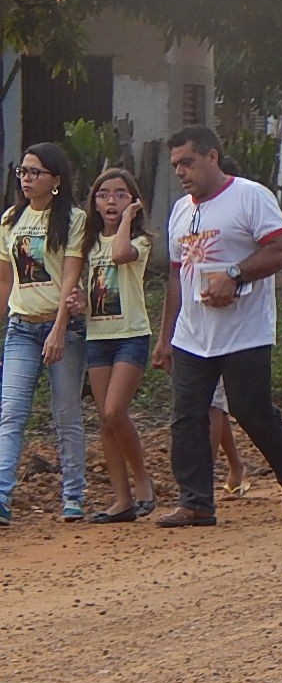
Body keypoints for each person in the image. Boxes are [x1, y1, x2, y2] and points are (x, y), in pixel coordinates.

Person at [152, 126, 282, 526]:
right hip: (193, 332)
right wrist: (166, 336)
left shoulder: (250, 196)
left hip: (245, 329)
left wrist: (236, 274)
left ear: (212, 156)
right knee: (187, 414)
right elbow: (176, 276)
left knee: (249, 408)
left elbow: (281, 250)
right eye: (175, 165)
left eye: (187, 162)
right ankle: (196, 501)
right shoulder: (181, 211)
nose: (181, 172)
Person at [0, 142, 88, 524]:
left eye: (34, 172)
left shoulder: (73, 219)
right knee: (11, 414)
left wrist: (59, 329)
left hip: (62, 329)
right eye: (22, 172)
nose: (26, 179)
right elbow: (6, 280)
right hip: (21, 327)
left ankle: (73, 495)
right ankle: (1, 497)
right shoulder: (9, 220)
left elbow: (71, 278)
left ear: (55, 179)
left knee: (66, 414)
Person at [82, 168, 156, 522]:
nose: (111, 200)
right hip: (97, 337)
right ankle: (121, 500)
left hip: (130, 335)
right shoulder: (86, 243)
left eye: (121, 195)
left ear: (134, 201)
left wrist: (127, 219)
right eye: (104, 194)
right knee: (105, 421)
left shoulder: (140, 241)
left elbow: (120, 253)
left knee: (115, 411)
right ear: (94, 201)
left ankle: (142, 481)